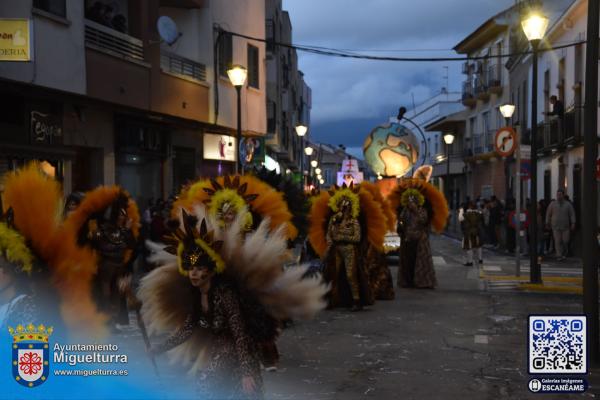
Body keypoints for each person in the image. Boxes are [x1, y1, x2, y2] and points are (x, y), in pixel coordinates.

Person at [141, 210, 327, 399]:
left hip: (239, 356)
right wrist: (158, 348)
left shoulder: (224, 293)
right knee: (207, 387)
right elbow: (188, 328)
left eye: (199, 269)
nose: (194, 274)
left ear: (212, 271)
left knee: (220, 389)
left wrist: (246, 372)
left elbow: (240, 334)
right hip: (219, 353)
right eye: (190, 269)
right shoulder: (198, 295)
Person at [389, 167, 449, 289]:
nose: (411, 202)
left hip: (420, 240)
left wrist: (415, 210)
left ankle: (422, 281)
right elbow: (401, 220)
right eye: (409, 199)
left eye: (414, 199)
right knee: (408, 261)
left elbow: (423, 220)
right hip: (407, 239)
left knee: (419, 262)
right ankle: (408, 281)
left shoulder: (422, 210)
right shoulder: (405, 210)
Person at [545, 189, 576, 260]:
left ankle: (564, 251)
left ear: (563, 195)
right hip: (555, 226)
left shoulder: (568, 204)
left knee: (565, 240)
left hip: (565, 226)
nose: (558, 196)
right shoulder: (552, 204)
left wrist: (573, 223)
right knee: (557, 240)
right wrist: (547, 222)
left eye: (560, 194)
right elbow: (548, 214)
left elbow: (572, 214)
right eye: (557, 194)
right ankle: (559, 254)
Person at [460, 202, 483, 266]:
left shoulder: (466, 214)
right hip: (477, 232)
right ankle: (480, 259)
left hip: (468, 232)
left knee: (468, 247)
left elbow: (463, 224)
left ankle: (470, 262)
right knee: (478, 245)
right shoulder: (479, 214)